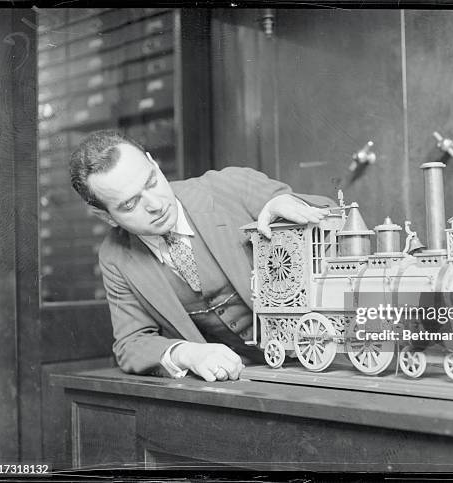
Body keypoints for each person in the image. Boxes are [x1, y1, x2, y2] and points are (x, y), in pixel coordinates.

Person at [70, 130, 333, 382]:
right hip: (242, 384)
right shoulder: (115, 256)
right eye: (130, 204)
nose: (155, 204)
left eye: (151, 182)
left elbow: (333, 215)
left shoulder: (230, 187)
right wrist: (187, 354)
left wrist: (294, 210)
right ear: (106, 217)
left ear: (154, 163)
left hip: (325, 363)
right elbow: (131, 343)